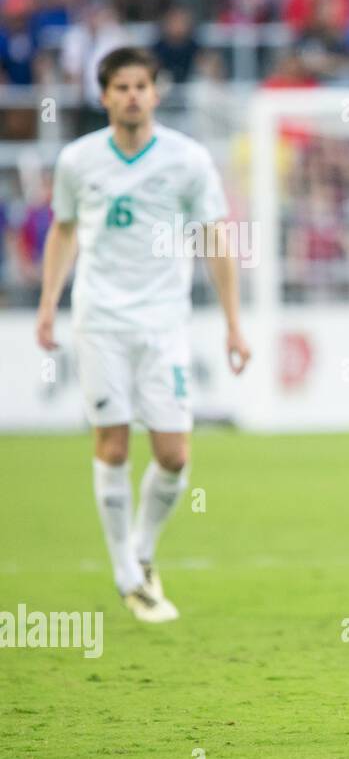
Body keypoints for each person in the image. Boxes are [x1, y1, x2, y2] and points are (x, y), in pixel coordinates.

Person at [35, 46, 250, 622]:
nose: (132, 95)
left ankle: (142, 551)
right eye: (120, 87)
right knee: (111, 444)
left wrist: (233, 322)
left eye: (141, 86)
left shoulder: (188, 159)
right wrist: (48, 304)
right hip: (100, 318)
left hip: (163, 324)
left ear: (155, 93)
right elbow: (63, 231)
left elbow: (215, 239)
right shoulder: (79, 160)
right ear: (104, 96)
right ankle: (127, 575)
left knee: (174, 454)